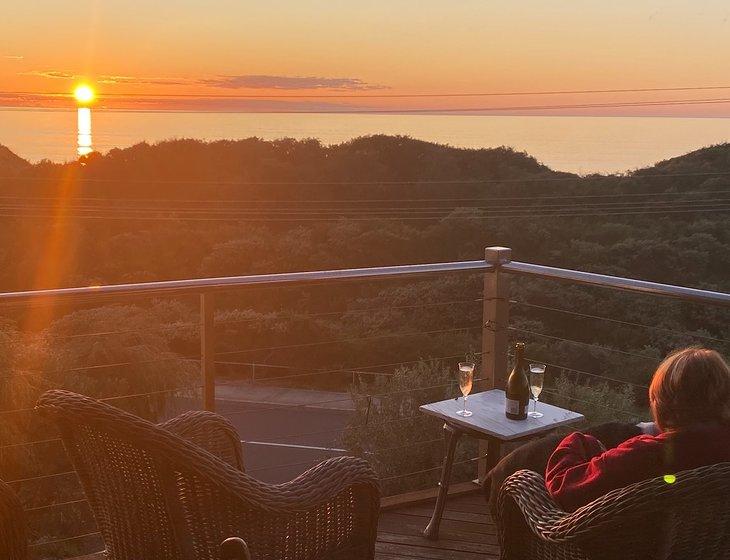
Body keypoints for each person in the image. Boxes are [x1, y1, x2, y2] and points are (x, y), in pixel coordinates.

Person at [545, 347, 730, 512]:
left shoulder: (643, 455)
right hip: (702, 548)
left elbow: (563, 488)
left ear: (662, 404)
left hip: (626, 547)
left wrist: (580, 441)